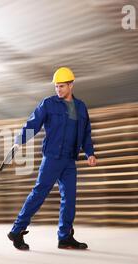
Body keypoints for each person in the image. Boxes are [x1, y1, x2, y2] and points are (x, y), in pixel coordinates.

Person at [8, 67, 97, 250]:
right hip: (52, 158)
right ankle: (17, 230)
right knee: (39, 193)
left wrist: (90, 153)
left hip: (69, 160)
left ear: (71, 85)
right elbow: (33, 124)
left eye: (62, 86)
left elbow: (86, 133)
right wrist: (19, 141)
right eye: (56, 86)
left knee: (70, 199)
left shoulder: (80, 107)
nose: (58, 90)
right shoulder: (48, 104)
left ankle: (64, 237)